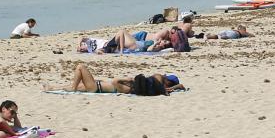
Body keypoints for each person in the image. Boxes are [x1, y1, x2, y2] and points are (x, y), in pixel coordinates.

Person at [44, 63, 184, 95]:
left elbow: (115, 82)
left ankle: (72, 89)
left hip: (96, 87)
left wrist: (125, 78)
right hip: (97, 85)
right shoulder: (160, 87)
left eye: (165, 77)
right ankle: (52, 88)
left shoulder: (130, 89)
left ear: (167, 81)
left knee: (80, 67)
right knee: (71, 84)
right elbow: (177, 87)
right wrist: (177, 87)